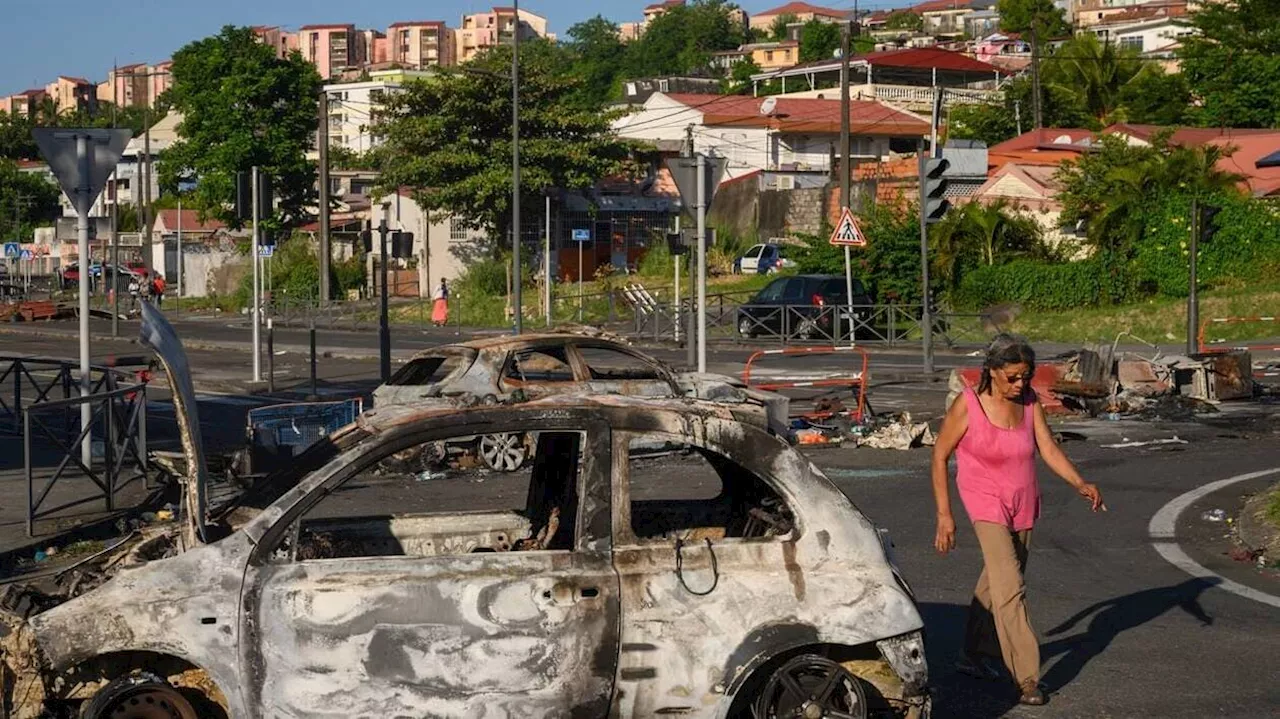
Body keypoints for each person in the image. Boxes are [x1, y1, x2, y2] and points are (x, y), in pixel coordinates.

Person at [931, 334, 1103, 707]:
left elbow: (1048, 448)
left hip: (1023, 502)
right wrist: (945, 515)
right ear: (992, 371)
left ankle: (971, 655)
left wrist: (1079, 482)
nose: (1020, 384)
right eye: (1012, 377)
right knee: (1011, 588)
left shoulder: (1029, 402)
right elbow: (940, 455)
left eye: (1025, 376)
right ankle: (1027, 678)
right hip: (984, 503)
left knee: (995, 584)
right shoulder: (969, 405)